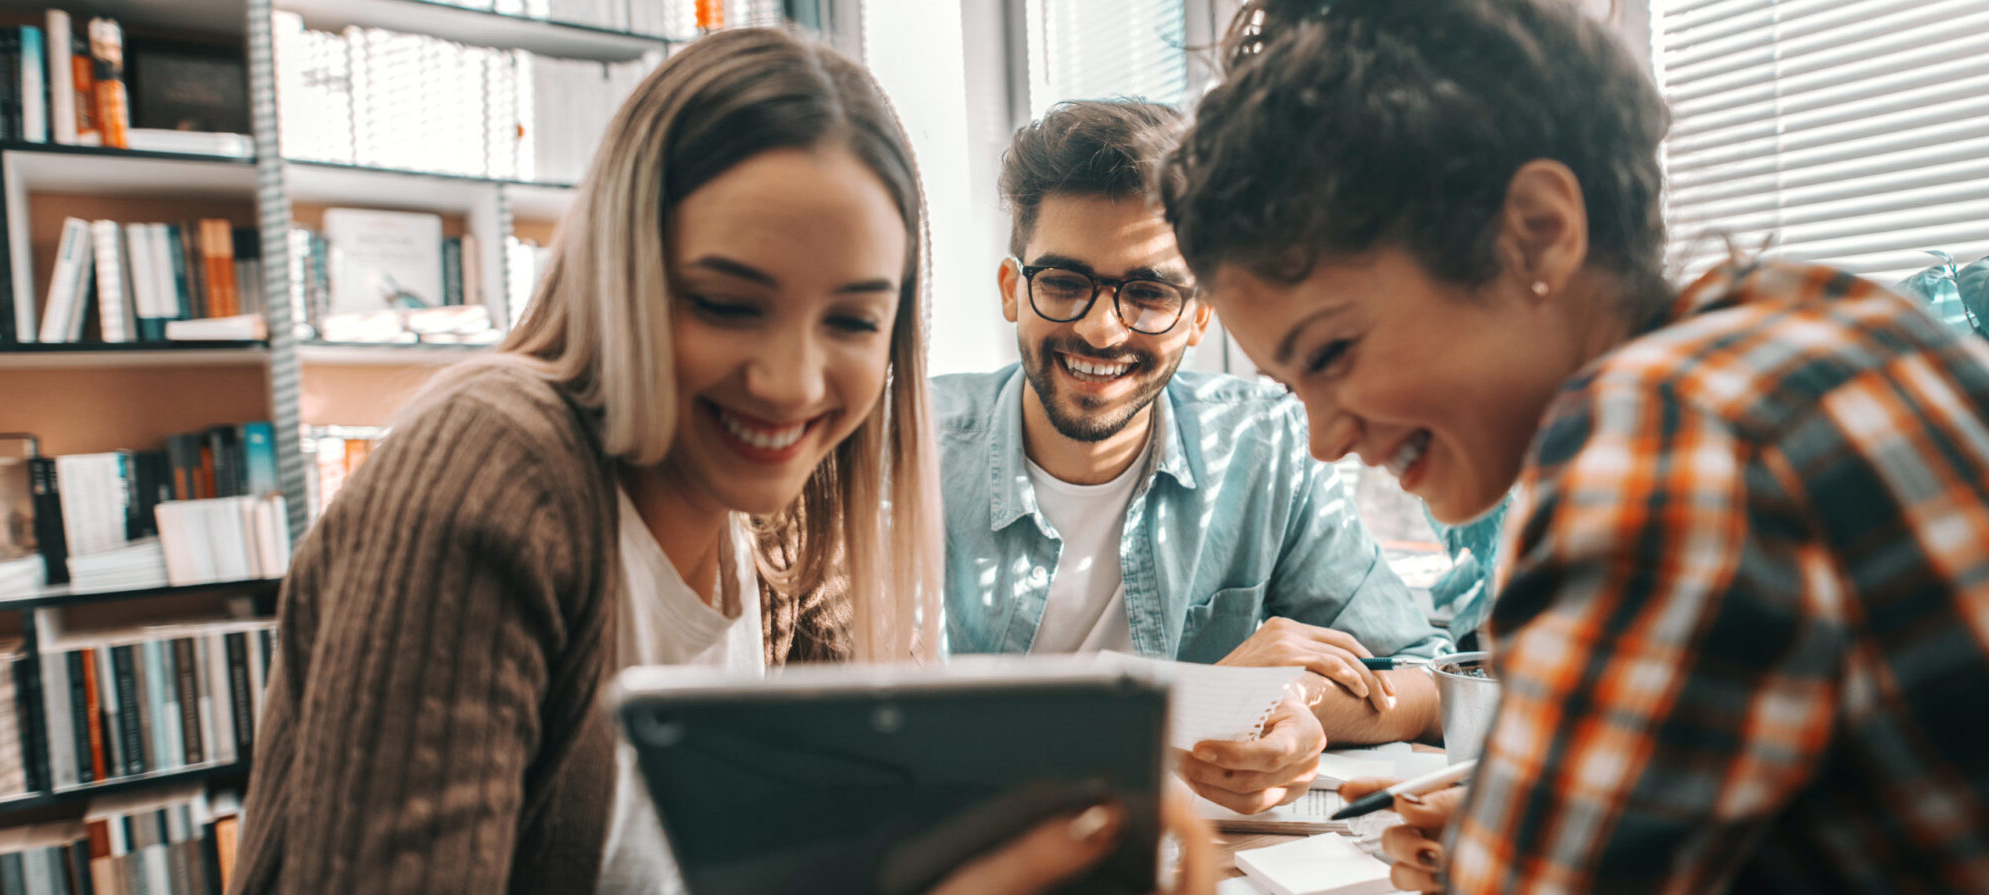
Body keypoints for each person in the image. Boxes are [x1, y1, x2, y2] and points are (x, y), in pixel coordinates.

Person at [230, 28, 1208, 895]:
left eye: (852, 319)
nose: (789, 383)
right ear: (624, 276)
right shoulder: (497, 468)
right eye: (728, 303)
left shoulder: (790, 530)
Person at [1165, 0, 1989, 891]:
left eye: (1333, 353)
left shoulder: (1665, 440)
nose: (1324, 440)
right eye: (1294, 385)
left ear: (1537, 231)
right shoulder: (1825, 320)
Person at [936, 100, 1450, 815]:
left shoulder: (1264, 445)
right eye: (1062, 283)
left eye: (1147, 293)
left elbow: (1424, 678)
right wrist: (1195, 703)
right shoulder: (910, 454)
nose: (1101, 327)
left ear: (1199, 314)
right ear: (1010, 292)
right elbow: (889, 735)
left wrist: (1292, 703)